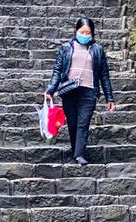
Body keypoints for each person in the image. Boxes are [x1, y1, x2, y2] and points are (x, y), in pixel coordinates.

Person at [44, 17, 116, 166]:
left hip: (89, 91)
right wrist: (51, 89)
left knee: (83, 123)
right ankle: (75, 149)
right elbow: (57, 70)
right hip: (70, 90)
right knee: (72, 123)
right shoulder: (66, 48)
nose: (84, 35)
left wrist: (110, 98)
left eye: (88, 32)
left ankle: (79, 154)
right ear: (76, 31)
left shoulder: (98, 50)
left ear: (92, 33)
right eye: (82, 31)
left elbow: (104, 75)